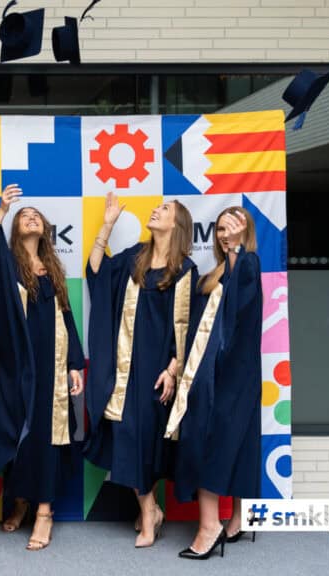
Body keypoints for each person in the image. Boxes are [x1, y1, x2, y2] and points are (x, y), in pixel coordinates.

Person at [0, 184, 85, 551]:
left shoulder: (53, 269)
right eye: (23, 216)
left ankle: (44, 512)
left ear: (45, 229)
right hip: (14, 362)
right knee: (16, 431)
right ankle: (19, 498)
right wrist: (1, 209)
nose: (30, 217)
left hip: (51, 364)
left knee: (47, 435)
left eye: (36, 216)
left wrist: (74, 365)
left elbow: (66, 317)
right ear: (15, 229)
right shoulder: (7, 265)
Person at [83, 191, 197, 548]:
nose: (156, 210)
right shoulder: (135, 257)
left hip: (157, 370)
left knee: (150, 441)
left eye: (165, 209)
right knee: (128, 436)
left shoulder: (186, 271)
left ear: (177, 225)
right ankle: (149, 511)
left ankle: (151, 508)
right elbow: (97, 271)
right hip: (124, 366)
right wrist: (107, 225)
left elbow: (193, 326)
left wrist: (174, 369)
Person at [165, 207, 262, 560]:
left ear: (245, 231)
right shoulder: (213, 274)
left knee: (210, 441)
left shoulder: (248, 263)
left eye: (233, 228)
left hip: (231, 373)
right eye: (221, 229)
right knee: (235, 441)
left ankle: (210, 527)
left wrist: (236, 248)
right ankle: (237, 520)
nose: (224, 234)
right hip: (215, 370)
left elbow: (239, 309)